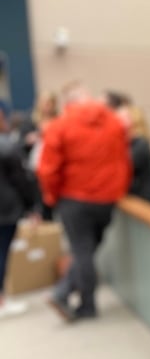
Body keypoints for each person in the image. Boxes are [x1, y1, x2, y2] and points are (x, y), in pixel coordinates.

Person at [36, 81, 131, 322]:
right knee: (87, 251)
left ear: (68, 103)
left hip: (74, 199)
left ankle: (70, 296)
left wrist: (51, 197)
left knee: (82, 251)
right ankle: (77, 299)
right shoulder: (114, 123)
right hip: (106, 200)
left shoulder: (60, 126)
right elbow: (124, 162)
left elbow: (48, 169)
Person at [0, 105, 36, 319]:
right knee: (2, 252)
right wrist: (31, 207)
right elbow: (22, 181)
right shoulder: (6, 147)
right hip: (5, 209)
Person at [16, 91, 59, 221]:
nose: (46, 107)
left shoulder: (59, 119)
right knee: (41, 198)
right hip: (37, 164)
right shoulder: (29, 120)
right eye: (43, 103)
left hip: (55, 163)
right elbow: (20, 143)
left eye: (49, 104)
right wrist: (30, 139)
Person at [121, 105, 150, 205]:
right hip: (133, 199)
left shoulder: (140, 145)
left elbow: (124, 168)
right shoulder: (129, 143)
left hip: (143, 201)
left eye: (122, 118)